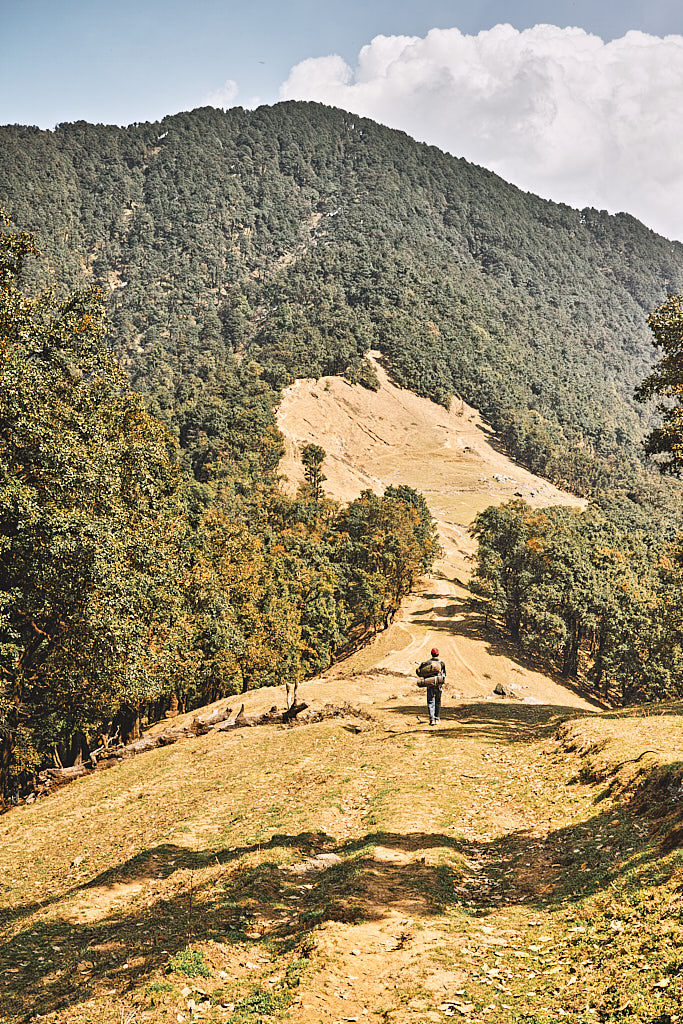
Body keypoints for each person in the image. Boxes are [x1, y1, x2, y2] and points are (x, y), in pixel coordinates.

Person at [417, 646, 446, 726]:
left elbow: (419, 672)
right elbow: (444, 674)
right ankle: (437, 718)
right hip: (438, 684)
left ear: (431, 654)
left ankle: (432, 719)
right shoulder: (441, 663)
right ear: (438, 654)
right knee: (438, 701)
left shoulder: (427, 663)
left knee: (430, 701)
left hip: (430, 684)